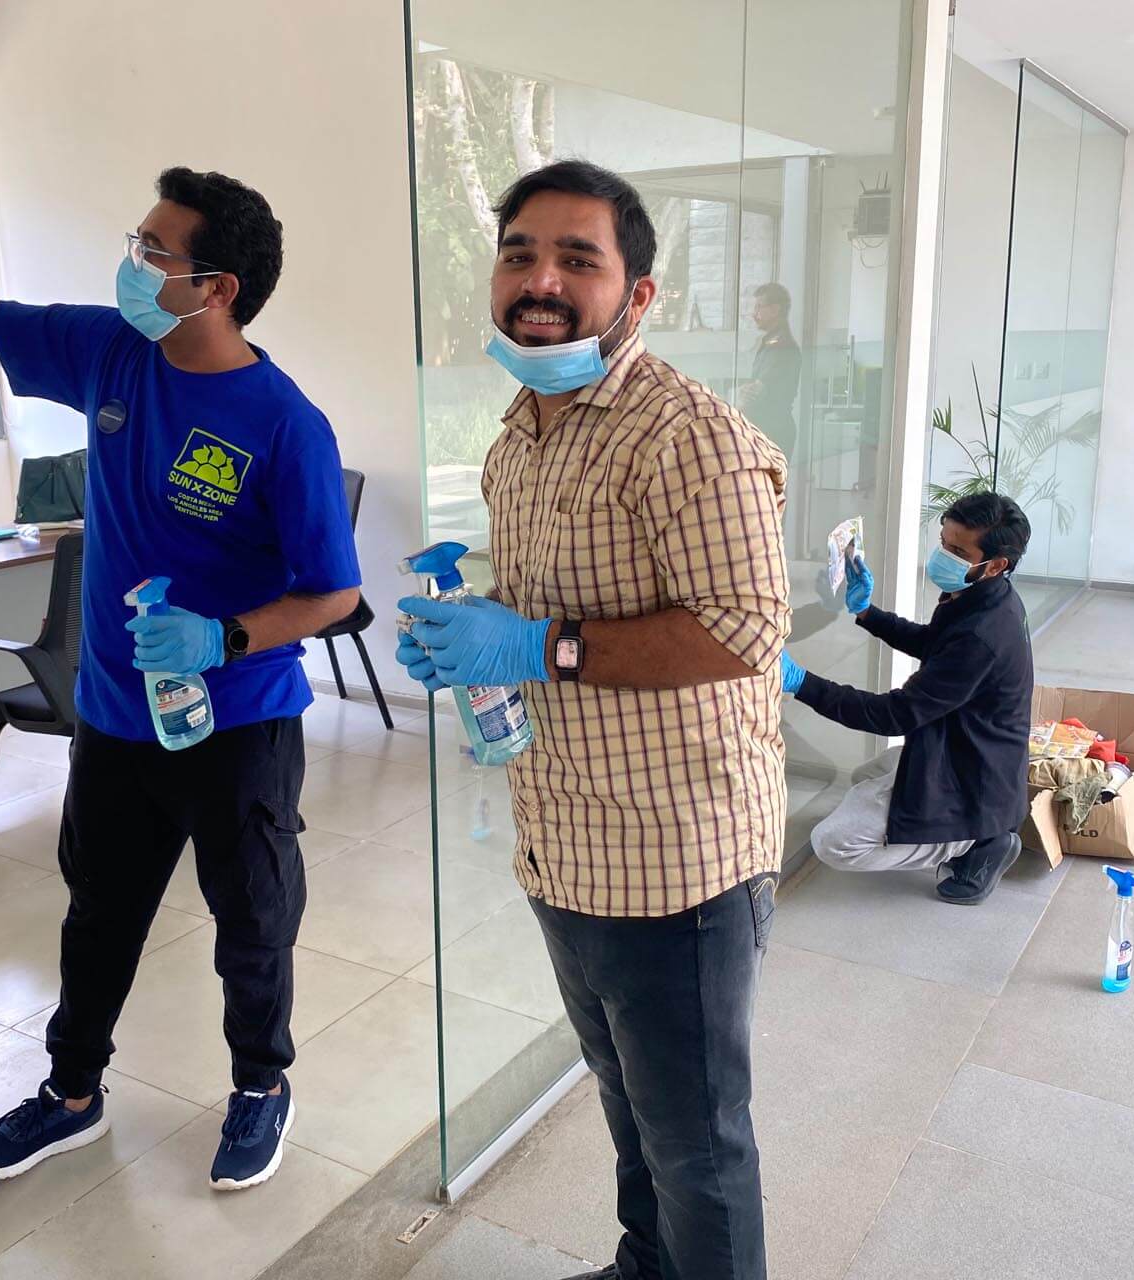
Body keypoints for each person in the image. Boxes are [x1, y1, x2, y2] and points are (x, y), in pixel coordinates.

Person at [0, 169, 361, 1191]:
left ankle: (259, 1084)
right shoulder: (114, 351)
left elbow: (333, 594)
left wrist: (222, 636)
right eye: (136, 239)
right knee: (98, 911)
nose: (132, 264)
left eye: (154, 251)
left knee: (250, 916)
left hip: (237, 720)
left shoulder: (286, 424)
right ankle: (71, 1093)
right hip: (115, 717)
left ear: (217, 288)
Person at [395, 160, 789, 1280]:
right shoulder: (520, 434)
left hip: (677, 859)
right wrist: (477, 627)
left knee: (697, 1140)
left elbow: (745, 628)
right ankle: (644, 1267)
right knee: (623, 1096)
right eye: (521, 251)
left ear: (639, 293)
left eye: (580, 258)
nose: (543, 280)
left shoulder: (686, 435)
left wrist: (537, 645)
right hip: (564, 838)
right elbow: (544, 603)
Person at [780, 493, 1034, 905]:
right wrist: (867, 614)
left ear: (997, 563)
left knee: (832, 842)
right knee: (864, 777)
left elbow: (895, 715)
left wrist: (802, 682)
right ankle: (961, 828)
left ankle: (974, 843)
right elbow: (934, 645)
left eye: (957, 550)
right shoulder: (983, 596)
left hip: (975, 780)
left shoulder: (984, 632)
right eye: (943, 541)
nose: (943, 556)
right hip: (963, 749)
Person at [735, 281, 802, 463]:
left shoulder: (781, 347)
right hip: (767, 428)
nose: (754, 313)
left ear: (775, 310)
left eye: (759, 307)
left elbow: (755, 391)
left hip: (772, 430)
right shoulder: (771, 343)